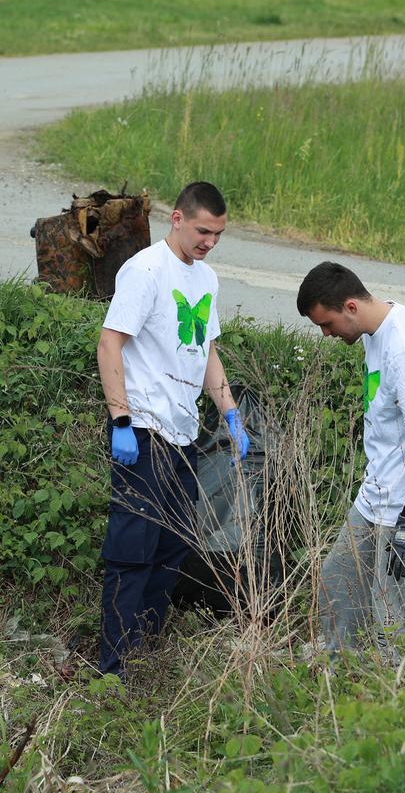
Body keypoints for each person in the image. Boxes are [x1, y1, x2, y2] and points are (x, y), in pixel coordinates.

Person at [95, 181, 245, 677]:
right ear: (177, 219)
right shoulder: (145, 271)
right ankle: (112, 666)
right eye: (204, 231)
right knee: (132, 550)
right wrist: (121, 419)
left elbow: (207, 353)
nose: (210, 242)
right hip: (142, 430)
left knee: (173, 545)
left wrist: (230, 414)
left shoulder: (207, 280)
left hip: (183, 435)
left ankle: (146, 647)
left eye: (218, 234)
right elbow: (110, 343)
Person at [295, 261, 405, 657]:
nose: (326, 334)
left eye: (327, 324)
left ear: (350, 306)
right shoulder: (375, 331)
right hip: (378, 494)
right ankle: (340, 670)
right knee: (339, 579)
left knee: (396, 617)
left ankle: (398, 691)